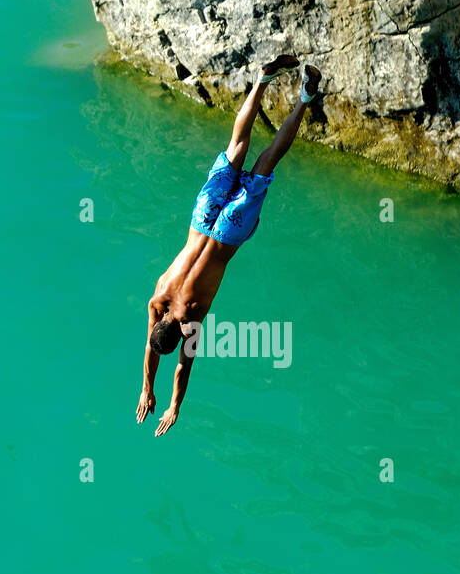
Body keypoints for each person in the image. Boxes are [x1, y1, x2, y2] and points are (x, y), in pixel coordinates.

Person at [136, 56, 322, 435]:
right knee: (237, 143)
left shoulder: (192, 316)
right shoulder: (157, 299)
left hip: (228, 233)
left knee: (267, 161)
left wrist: (171, 405)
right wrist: (145, 388)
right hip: (201, 220)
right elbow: (150, 346)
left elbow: (183, 366)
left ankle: (304, 96)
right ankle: (262, 81)